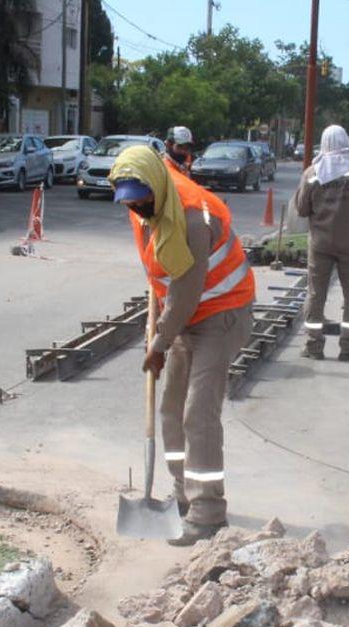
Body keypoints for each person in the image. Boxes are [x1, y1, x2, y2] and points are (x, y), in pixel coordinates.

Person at [108, 146, 255, 546]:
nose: (136, 207)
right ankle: (182, 495)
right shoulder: (145, 200)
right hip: (185, 315)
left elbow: (187, 292)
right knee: (170, 407)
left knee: (197, 413)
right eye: (129, 201)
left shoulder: (192, 217)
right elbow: (159, 272)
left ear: (156, 187)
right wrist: (157, 321)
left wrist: (159, 344)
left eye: (141, 200)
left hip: (222, 314)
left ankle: (208, 512)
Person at [292, 124, 349, 362]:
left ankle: (313, 345)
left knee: (315, 293)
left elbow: (301, 209)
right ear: (346, 141)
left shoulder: (312, 173)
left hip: (320, 243)